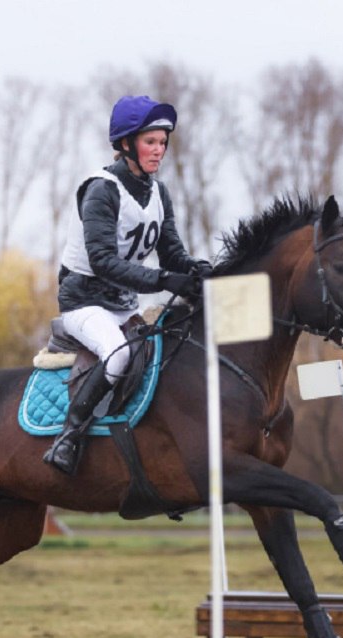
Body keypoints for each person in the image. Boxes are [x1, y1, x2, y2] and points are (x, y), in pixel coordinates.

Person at [43, 94, 211, 475]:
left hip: (124, 304)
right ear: (125, 144)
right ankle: (68, 437)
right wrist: (165, 280)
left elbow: (172, 256)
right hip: (83, 302)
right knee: (118, 355)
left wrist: (199, 271)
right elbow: (103, 261)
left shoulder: (158, 192)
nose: (159, 151)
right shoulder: (101, 189)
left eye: (163, 143)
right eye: (150, 142)